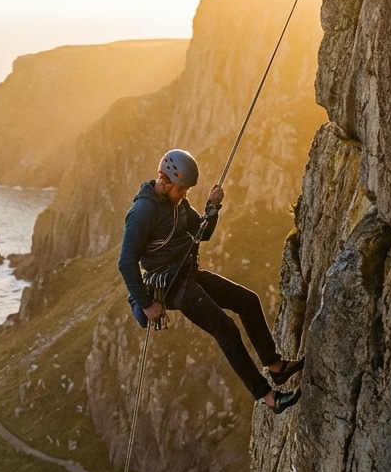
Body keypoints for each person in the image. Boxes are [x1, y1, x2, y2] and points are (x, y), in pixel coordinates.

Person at [118, 148, 303, 413]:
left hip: (188, 275)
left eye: (186, 191)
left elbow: (201, 233)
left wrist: (212, 208)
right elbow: (126, 262)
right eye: (181, 190)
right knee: (225, 329)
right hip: (171, 287)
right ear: (164, 180)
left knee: (247, 300)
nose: (184, 196)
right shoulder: (142, 212)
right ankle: (270, 397)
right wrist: (146, 304)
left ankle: (276, 366)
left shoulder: (178, 203)